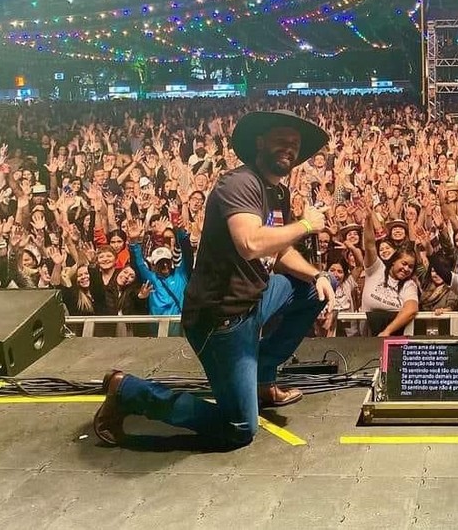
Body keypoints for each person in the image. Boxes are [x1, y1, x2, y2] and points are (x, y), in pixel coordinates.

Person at [93, 110, 336, 449]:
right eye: (282, 139)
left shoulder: (276, 191)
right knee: (239, 429)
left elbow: (278, 250)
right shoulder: (239, 183)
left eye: (294, 144)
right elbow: (251, 244)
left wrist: (317, 273)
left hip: (255, 301)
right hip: (222, 322)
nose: (289, 148)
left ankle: (262, 377)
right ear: (260, 142)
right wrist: (308, 225)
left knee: (319, 289)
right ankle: (128, 390)